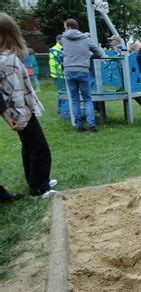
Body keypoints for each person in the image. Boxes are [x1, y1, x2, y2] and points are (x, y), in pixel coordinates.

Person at [0, 12, 56, 199]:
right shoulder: (9, 61)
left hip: (18, 112)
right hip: (22, 113)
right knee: (39, 148)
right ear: (11, 33)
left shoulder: (5, 59)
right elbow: (15, 92)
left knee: (29, 147)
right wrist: (21, 117)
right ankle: (41, 188)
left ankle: (36, 183)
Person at [62, 18, 104, 132]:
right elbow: (99, 53)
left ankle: (78, 125)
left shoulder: (64, 38)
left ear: (69, 27)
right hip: (83, 70)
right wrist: (89, 55)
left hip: (68, 70)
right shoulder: (86, 39)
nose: (64, 29)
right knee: (87, 98)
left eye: (65, 27)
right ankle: (91, 125)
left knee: (75, 99)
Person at [49, 34, 65, 115]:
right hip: (58, 75)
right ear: (59, 41)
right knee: (61, 92)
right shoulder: (55, 50)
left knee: (64, 92)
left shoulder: (61, 49)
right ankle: (60, 109)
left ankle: (64, 108)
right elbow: (58, 63)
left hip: (61, 74)